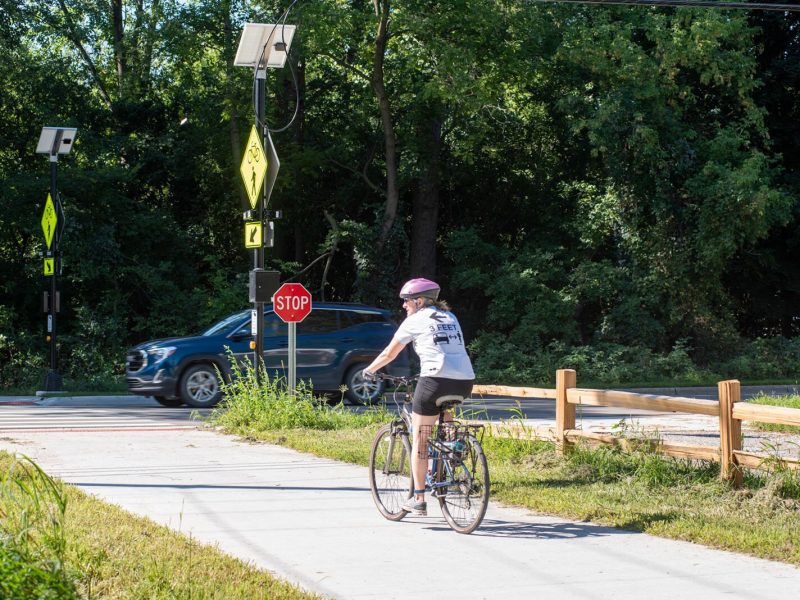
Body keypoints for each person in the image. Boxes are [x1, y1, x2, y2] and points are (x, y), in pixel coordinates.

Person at [363, 278, 475, 516]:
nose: (404, 305)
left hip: (434, 380)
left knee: (421, 438)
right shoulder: (450, 317)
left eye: (407, 301)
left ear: (420, 301)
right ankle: (453, 445)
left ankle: (419, 498)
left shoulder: (414, 320)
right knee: (444, 410)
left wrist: (369, 370)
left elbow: (389, 353)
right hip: (465, 380)